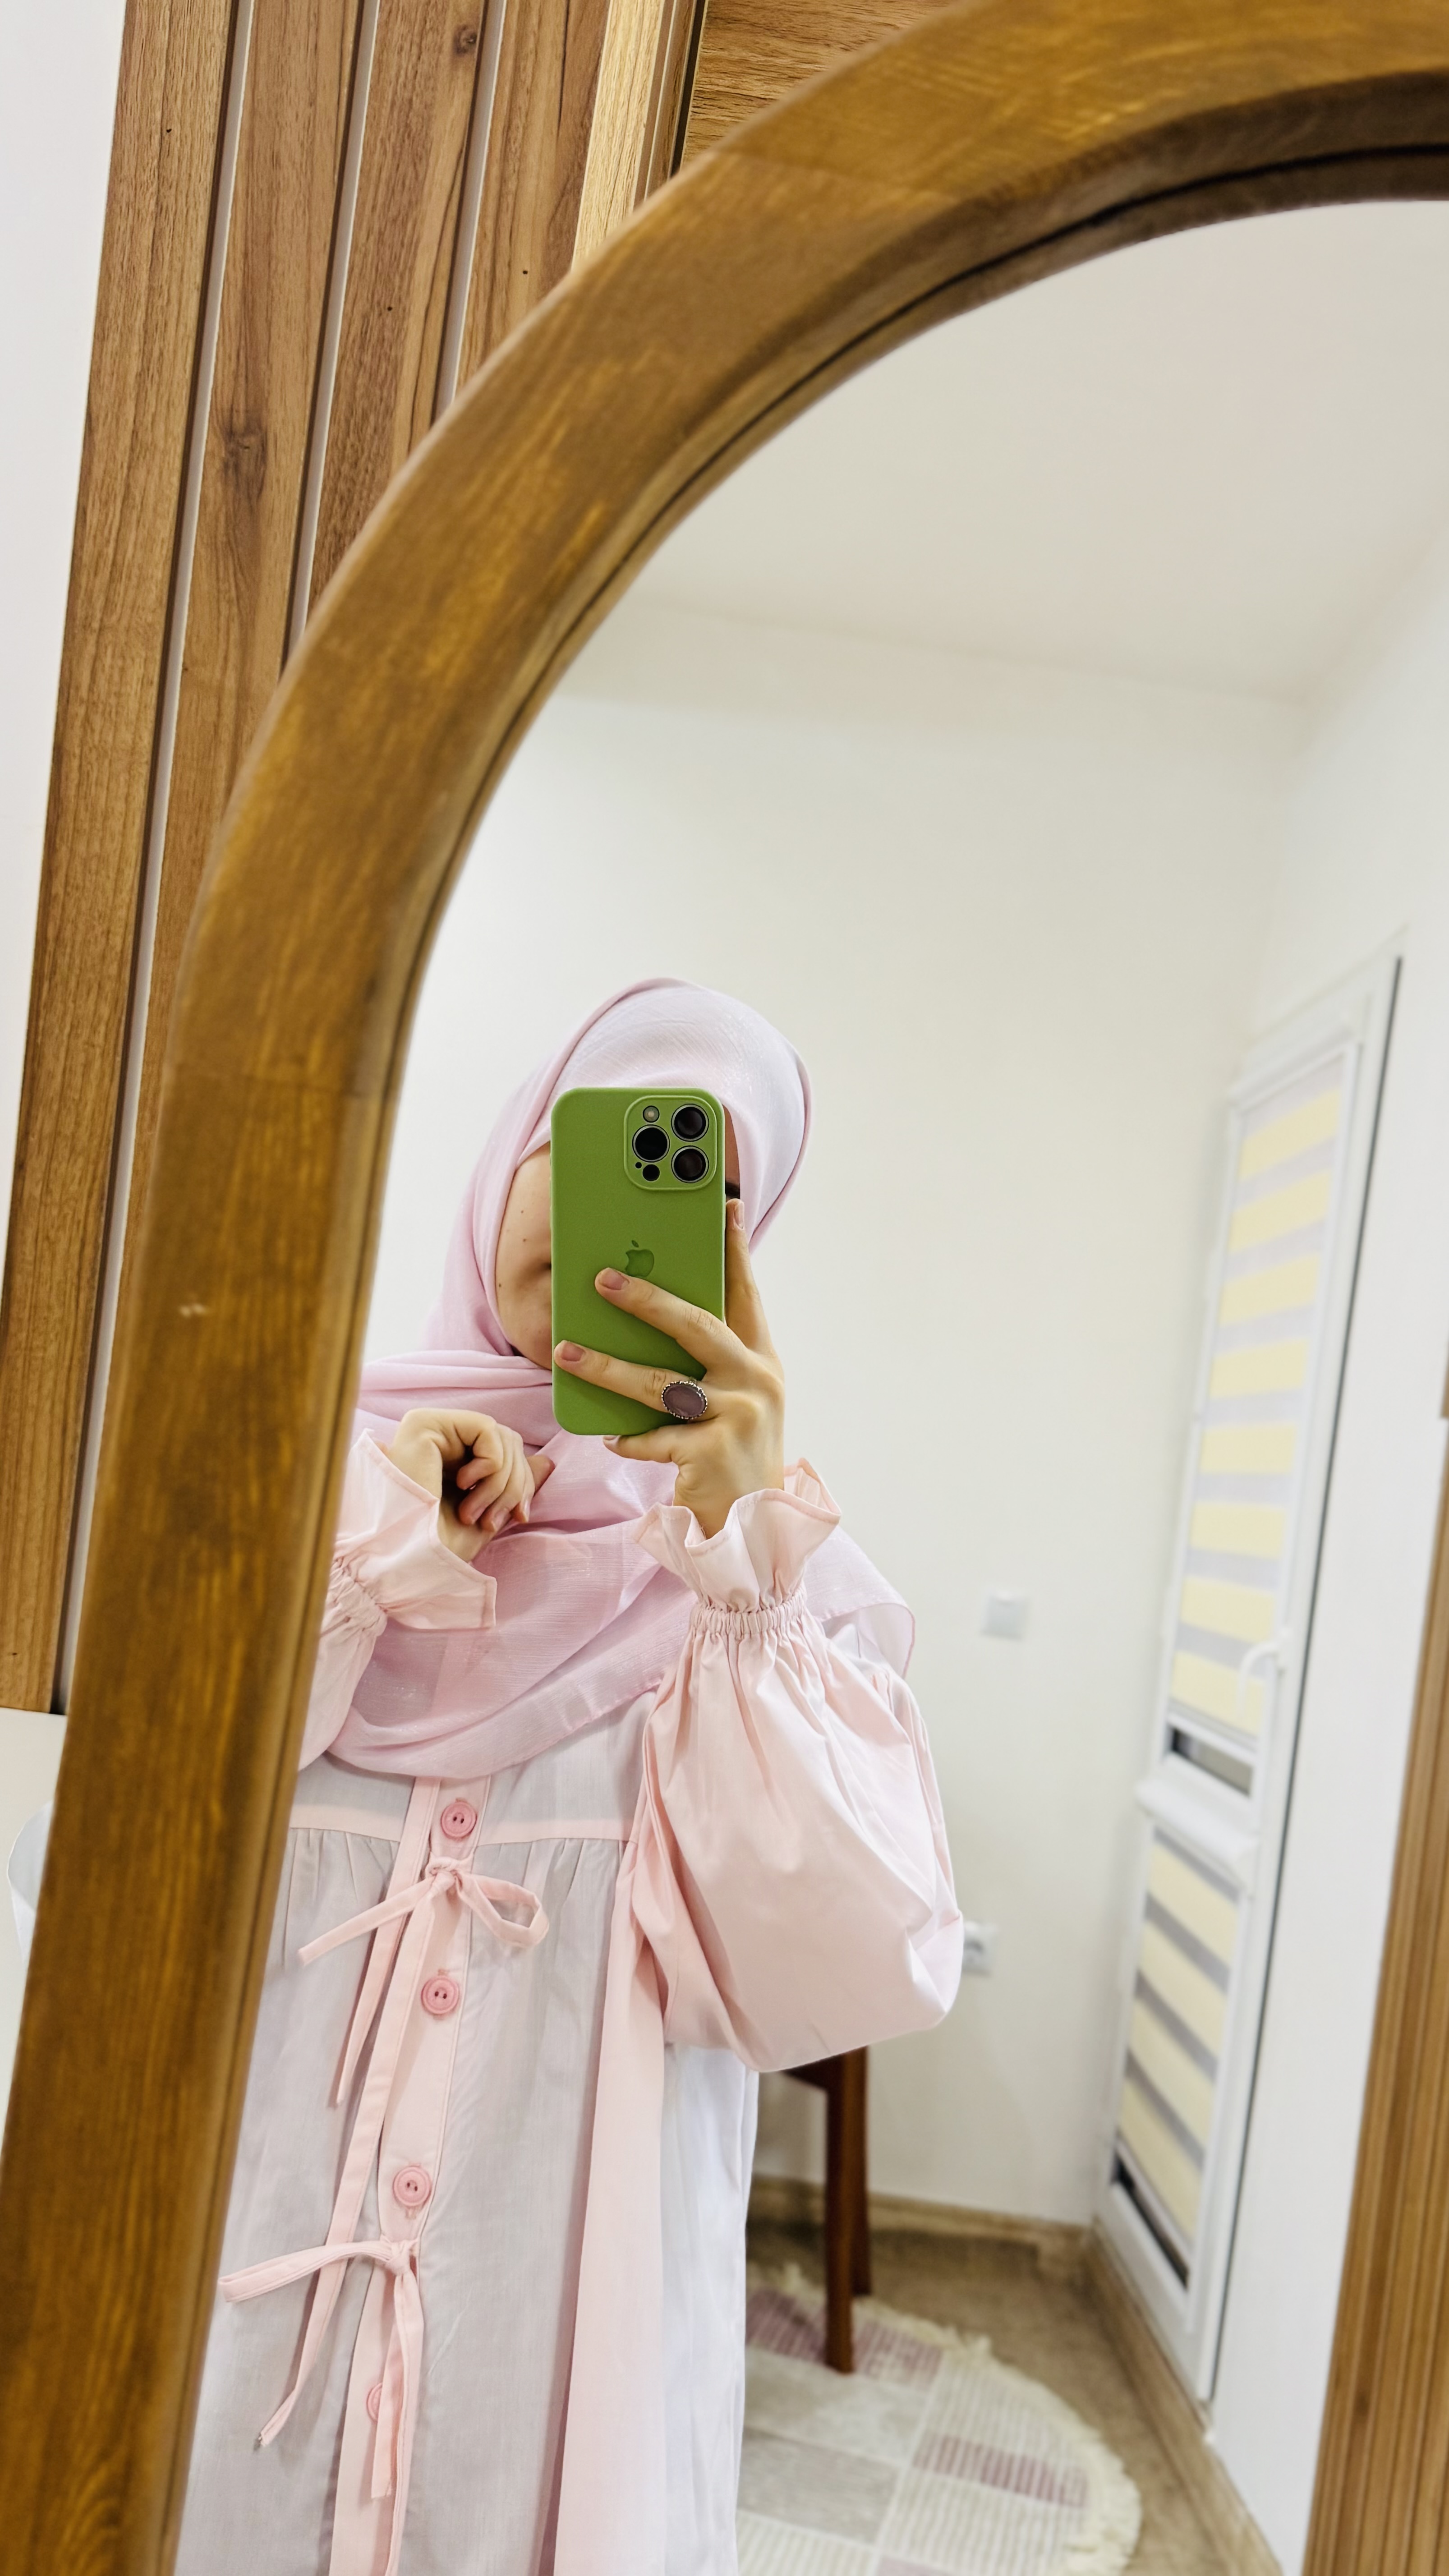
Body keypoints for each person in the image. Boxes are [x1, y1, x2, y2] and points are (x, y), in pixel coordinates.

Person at [12, 977, 962, 2576]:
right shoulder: (295, 1490)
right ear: (513, 1151)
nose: (626, 1219)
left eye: (709, 1190)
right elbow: (102, 1871)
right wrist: (370, 1565)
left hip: (546, 2378)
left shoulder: (778, 1601)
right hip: (229, 2317)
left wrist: (742, 1566)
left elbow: (843, 1971)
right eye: (595, 1146)